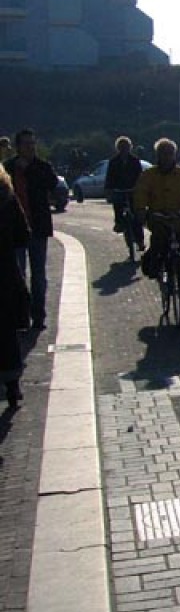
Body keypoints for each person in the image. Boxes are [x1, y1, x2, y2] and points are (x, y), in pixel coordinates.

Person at [132, 138, 180, 307]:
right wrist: (141, 210)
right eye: (163, 154)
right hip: (158, 220)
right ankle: (154, 267)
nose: (166, 157)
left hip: (179, 220)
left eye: (169, 154)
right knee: (158, 245)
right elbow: (140, 193)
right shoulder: (149, 175)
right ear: (157, 155)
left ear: (174, 155)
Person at [4, 128, 58, 330]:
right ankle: (21, 314)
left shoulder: (42, 167)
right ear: (18, 147)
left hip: (37, 227)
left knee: (39, 275)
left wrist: (29, 170)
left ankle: (38, 316)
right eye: (27, 144)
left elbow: (52, 184)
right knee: (18, 274)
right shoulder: (7, 168)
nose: (31, 147)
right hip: (14, 230)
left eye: (33, 144)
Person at [0, 167, 31, 409]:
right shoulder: (7, 196)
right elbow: (23, 235)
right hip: (4, 273)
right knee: (7, 330)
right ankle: (12, 386)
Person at [104, 135, 145, 247]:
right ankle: (119, 223)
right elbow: (109, 177)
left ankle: (140, 241)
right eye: (121, 147)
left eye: (126, 146)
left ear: (130, 147)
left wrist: (140, 188)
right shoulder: (113, 162)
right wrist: (109, 191)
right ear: (118, 148)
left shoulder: (135, 161)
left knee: (136, 217)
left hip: (133, 190)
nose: (124, 149)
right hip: (119, 190)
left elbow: (140, 176)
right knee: (117, 206)